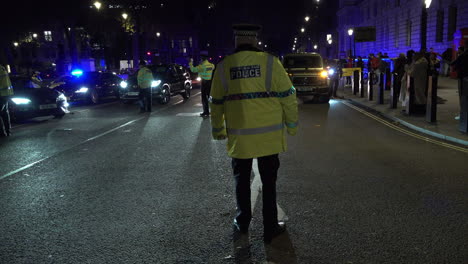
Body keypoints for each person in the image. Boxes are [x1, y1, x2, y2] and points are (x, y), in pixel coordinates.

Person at [210, 24, 298, 244]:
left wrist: (218, 130)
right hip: (268, 138)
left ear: (236, 40)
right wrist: (292, 125)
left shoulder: (223, 66)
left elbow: (216, 103)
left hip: (240, 139)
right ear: (256, 40)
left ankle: (242, 222)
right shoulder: (271, 63)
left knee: (241, 180)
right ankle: (270, 228)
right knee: (269, 183)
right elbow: (288, 96)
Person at [450, 40, 468, 120]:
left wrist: (457, 55)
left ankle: (463, 115)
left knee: (463, 97)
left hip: (464, 78)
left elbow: (453, 64)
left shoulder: (463, 55)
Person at [0, 65, 14, 137]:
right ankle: (8, 131)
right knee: (5, 113)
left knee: (2, 113)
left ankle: (2, 133)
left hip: (1, 95)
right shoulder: (2, 68)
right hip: (6, 94)